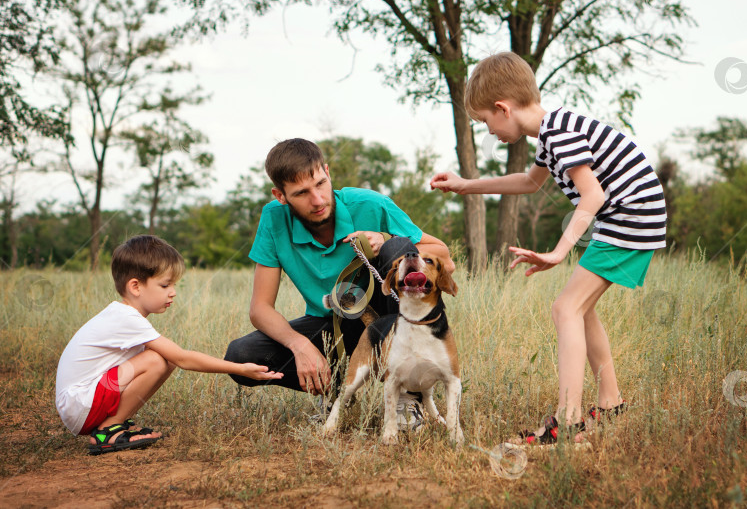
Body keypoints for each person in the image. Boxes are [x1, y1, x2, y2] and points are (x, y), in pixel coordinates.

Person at [430, 52, 666, 445]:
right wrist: (465, 184)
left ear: (503, 108)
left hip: (631, 217)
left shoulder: (559, 132)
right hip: (628, 216)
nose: (489, 131)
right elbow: (529, 182)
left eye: (486, 121)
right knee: (580, 308)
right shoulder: (552, 132)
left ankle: (568, 420)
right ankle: (610, 402)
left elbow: (592, 194)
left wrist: (559, 252)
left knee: (565, 308)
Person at [224, 138, 454, 430]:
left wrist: (384, 240)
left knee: (398, 247)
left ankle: (409, 396)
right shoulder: (272, 218)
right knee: (241, 356)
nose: (318, 200)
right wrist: (300, 346)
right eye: (302, 193)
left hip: (392, 319)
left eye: (321, 184)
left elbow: (445, 257)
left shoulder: (371, 204)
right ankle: (334, 389)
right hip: (330, 325)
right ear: (280, 196)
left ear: (328, 172)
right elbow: (259, 308)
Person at [55, 235, 282, 455]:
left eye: (173, 284)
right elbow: (183, 358)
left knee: (163, 359)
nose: (173, 292)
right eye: (165, 285)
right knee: (156, 359)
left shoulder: (121, 315)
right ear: (135, 287)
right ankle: (107, 430)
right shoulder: (125, 318)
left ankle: (115, 423)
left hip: (81, 404)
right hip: (80, 405)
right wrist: (241, 368)